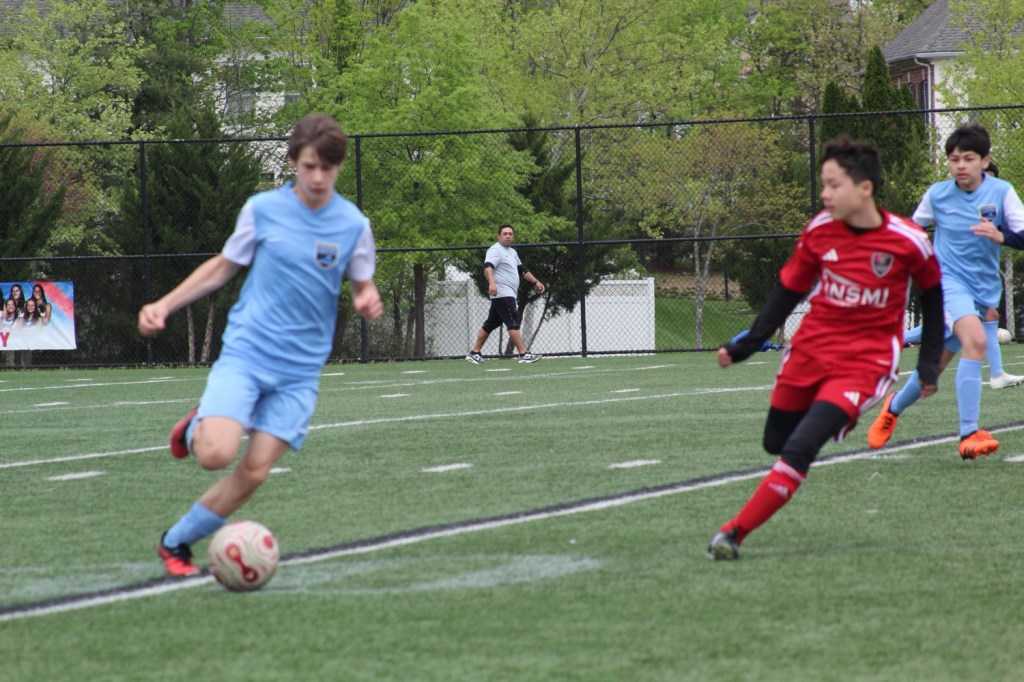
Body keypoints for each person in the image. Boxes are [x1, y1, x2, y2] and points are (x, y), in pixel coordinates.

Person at [138, 113, 384, 577]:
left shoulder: (353, 224)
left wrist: (366, 298)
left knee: (253, 471)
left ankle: (175, 543)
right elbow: (222, 266)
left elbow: (362, 283)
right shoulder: (262, 210)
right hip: (249, 353)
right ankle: (195, 429)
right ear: (292, 162)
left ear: (338, 167)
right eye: (309, 166)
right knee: (215, 455)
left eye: (327, 168)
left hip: (300, 372)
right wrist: (164, 304)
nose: (317, 177)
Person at [707, 137, 944, 560]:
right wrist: (746, 345)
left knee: (801, 446)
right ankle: (827, 417)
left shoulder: (908, 239)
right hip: (810, 351)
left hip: (865, 364)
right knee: (776, 441)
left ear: (865, 188)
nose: (825, 194)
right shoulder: (820, 230)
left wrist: (928, 364)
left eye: (834, 185)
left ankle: (732, 534)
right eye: (823, 185)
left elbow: (933, 296)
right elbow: (787, 292)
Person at [867, 124, 1024, 459]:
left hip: (983, 292)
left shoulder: (1002, 192)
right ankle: (968, 434)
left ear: (985, 161)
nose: (961, 165)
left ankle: (892, 407)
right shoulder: (937, 195)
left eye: (968, 158)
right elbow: (911, 231)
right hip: (946, 285)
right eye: (954, 159)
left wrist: (1002, 236)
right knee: (976, 341)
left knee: (931, 373)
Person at [465, 224, 545, 364]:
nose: (508, 236)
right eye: (505, 234)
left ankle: (474, 352)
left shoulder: (512, 252)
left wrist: (536, 281)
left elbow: (522, 270)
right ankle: (523, 354)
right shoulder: (495, 250)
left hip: (508, 294)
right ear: (498, 236)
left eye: (510, 234)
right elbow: (488, 267)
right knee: (513, 320)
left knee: (491, 323)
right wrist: (492, 283)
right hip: (502, 293)